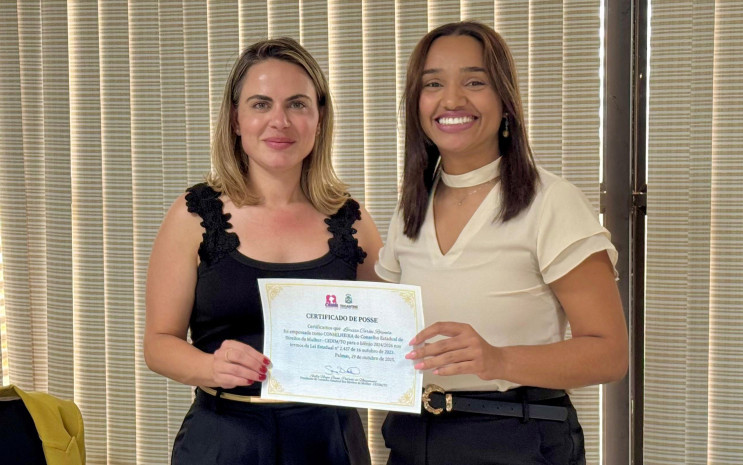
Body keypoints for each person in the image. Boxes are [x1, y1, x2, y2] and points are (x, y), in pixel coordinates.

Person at [375, 21, 628, 464]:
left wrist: (498, 360)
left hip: (518, 438)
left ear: (505, 100)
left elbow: (610, 354)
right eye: (433, 84)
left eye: (475, 82)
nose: (452, 100)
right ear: (416, 103)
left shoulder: (552, 202)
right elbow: (382, 332)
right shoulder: (410, 210)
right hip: (413, 436)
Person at [144, 37, 382, 465]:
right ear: (236, 119)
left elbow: (385, 336)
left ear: (319, 118)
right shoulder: (193, 215)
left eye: (297, 104)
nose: (280, 121)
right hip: (223, 441)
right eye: (261, 104)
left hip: (331, 443)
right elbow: (159, 344)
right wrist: (210, 367)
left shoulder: (353, 220)